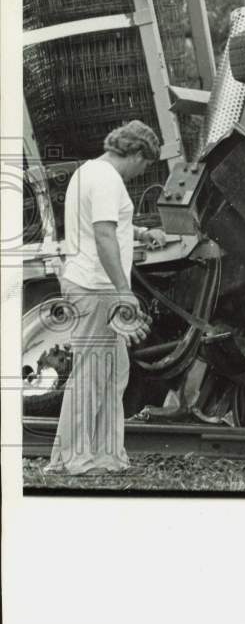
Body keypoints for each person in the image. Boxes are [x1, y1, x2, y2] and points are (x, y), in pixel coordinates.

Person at [46, 120, 167, 475]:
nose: (142, 171)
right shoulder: (107, 180)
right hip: (96, 289)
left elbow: (105, 225)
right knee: (93, 373)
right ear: (135, 153)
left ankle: (102, 457)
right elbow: (102, 235)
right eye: (145, 163)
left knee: (113, 373)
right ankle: (75, 460)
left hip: (90, 285)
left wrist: (141, 233)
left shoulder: (89, 172)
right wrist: (123, 292)